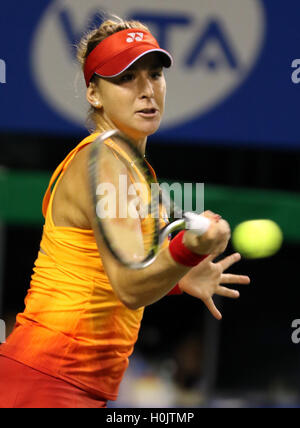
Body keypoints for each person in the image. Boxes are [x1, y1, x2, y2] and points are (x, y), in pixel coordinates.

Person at [0, 17, 250, 408]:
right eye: (125, 78)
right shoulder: (103, 161)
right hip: (45, 379)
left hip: (68, 385)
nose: (147, 90)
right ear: (94, 95)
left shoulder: (128, 168)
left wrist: (177, 277)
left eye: (154, 74)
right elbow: (130, 287)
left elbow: (104, 277)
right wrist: (187, 250)